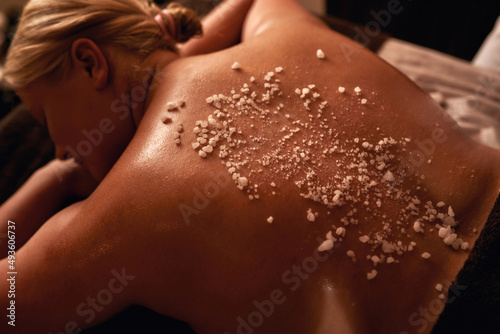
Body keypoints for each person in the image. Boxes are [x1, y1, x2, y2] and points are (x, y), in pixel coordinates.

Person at [1, 0, 499, 333]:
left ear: (90, 62)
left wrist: (52, 179)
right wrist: (177, 53)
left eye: (47, 119)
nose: (63, 148)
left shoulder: (115, 220)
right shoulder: (286, 32)